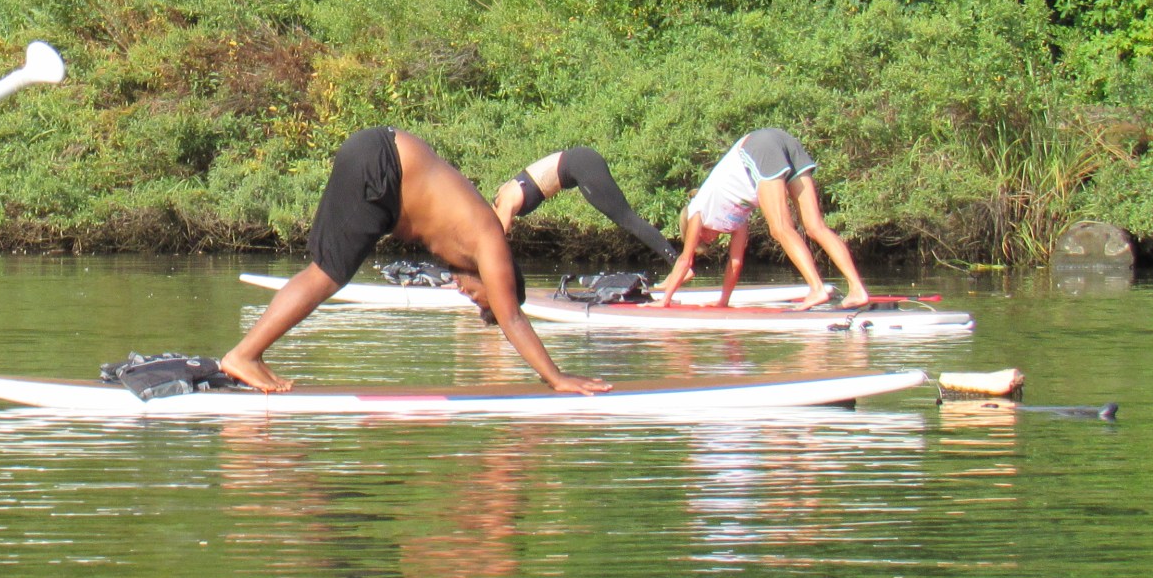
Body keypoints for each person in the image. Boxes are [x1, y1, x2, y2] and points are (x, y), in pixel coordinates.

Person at [221, 127, 607, 395]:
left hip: (380, 159)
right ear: (498, 281)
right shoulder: (492, 246)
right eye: (480, 299)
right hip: (382, 161)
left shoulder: (471, 245)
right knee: (327, 274)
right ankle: (244, 355)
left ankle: (251, 355)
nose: (469, 297)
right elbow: (513, 318)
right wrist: (556, 377)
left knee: (326, 270)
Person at [652, 127, 871, 310]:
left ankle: (817, 289)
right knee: (815, 227)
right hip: (782, 139)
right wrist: (723, 301)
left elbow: (684, 260)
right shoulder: (736, 219)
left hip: (757, 147)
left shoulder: (696, 212)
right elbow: (735, 263)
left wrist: (665, 300)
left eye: (705, 240)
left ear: (697, 232)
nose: (710, 241)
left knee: (780, 229)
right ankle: (857, 290)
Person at [491, 147, 678, 268]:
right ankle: (678, 264)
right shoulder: (504, 195)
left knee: (626, 218)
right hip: (580, 162)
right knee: (626, 218)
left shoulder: (504, 200)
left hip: (580, 165)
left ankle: (678, 264)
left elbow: (494, 242)